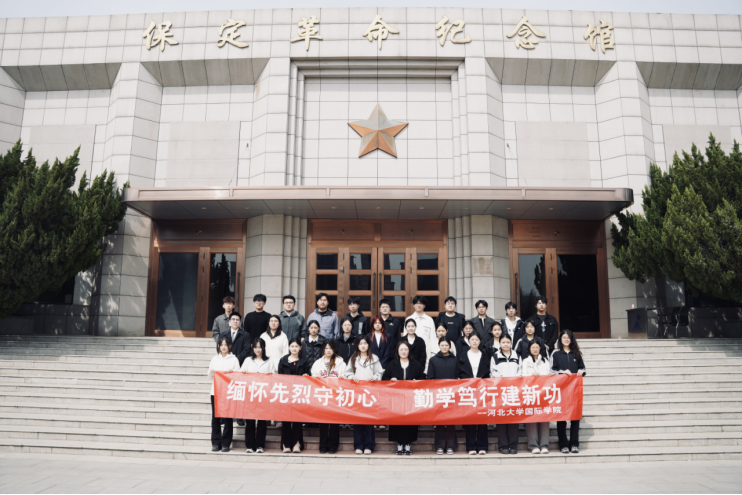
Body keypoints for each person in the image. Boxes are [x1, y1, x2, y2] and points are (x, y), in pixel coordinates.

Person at [382, 341, 426, 456]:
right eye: (401, 349)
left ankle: (408, 443)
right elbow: (384, 378)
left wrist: (417, 381)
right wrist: (391, 380)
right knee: (398, 420)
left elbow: (422, 377)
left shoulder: (415, 364)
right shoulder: (392, 364)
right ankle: (399, 443)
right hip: (397, 399)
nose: (403, 352)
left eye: (406, 349)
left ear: (409, 351)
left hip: (411, 399)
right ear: (397, 351)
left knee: (410, 421)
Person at [344, 336, 384, 455]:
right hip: (357, 393)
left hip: (370, 394)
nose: (363, 345)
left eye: (365, 343)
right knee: (357, 419)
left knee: (369, 420)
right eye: (360, 343)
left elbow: (380, 372)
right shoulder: (353, 358)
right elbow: (347, 373)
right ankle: (358, 445)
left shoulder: (374, 358)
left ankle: (369, 445)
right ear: (357, 345)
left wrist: (374, 377)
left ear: (368, 345)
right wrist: (352, 377)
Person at [551, 330, 586, 454]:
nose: (566, 339)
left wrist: (581, 371)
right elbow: (552, 370)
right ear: (560, 339)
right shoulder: (555, 353)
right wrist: (562, 372)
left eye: (568, 337)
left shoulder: (577, 353)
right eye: (564, 337)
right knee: (561, 418)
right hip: (561, 390)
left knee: (575, 417)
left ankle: (574, 444)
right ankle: (563, 444)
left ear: (571, 339)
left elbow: (583, 368)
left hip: (574, 390)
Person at [457, 331, 490, 455]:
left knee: (482, 418)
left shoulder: (485, 355)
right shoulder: (462, 356)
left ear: (480, 341)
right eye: (472, 339)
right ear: (468, 341)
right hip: (468, 390)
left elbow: (489, 372)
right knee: (470, 418)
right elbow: (458, 373)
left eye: (476, 339)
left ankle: (482, 446)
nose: (474, 342)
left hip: (482, 390)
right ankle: (471, 446)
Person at [240, 339, 276, 454]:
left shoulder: (269, 361)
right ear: (252, 347)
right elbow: (240, 375)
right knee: (250, 421)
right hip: (250, 394)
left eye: (260, 347)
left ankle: (260, 445)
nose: (258, 349)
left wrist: (270, 375)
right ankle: (249, 445)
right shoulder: (247, 360)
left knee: (262, 421)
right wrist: (243, 372)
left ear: (263, 348)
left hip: (263, 394)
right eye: (255, 347)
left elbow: (274, 376)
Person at [311, 341, 346, 454]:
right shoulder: (317, 363)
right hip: (323, 395)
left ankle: (333, 446)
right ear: (323, 349)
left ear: (334, 349)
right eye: (326, 348)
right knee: (323, 422)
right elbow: (313, 376)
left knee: (334, 422)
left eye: (330, 348)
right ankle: (323, 445)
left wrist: (342, 378)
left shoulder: (340, 362)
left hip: (335, 395)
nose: (328, 350)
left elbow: (345, 377)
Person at [278, 338, 311, 453]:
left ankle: (297, 443)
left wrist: (307, 375)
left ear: (300, 348)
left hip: (298, 393)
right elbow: (279, 376)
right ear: (288, 347)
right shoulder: (283, 360)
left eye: (296, 346)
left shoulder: (304, 361)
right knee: (286, 418)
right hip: (286, 392)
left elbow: (308, 374)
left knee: (297, 418)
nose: (294, 348)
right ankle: (286, 444)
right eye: (292, 346)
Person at [208, 336, 240, 452]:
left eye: (226, 345)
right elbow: (210, 375)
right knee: (215, 418)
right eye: (221, 345)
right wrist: (212, 372)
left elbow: (238, 376)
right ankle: (216, 443)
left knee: (227, 417)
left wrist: (232, 373)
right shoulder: (214, 359)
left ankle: (226, 443)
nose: (223, 347)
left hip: (228, 392)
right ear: (218, 346)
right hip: (215, 392)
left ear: (229, 346)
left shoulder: (234, 359)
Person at [490, 334, 521, 455]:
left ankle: (513, 445)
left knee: (513, 417)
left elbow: (520, 372)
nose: (506, 344)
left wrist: (514, 379)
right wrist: (500, 377)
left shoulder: (517, 356)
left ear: (511, 343)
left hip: (514, 391)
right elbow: (492, 372)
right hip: (500, 391)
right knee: (502, 417)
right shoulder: (495, 356)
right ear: (500, 343)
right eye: (503, 342)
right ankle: (503, 446)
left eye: (508, 342)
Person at [427, 336, 458, 455]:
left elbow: (458, 376)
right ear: (438, 346)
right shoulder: (433, 360)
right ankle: (439, 446)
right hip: (438, 395)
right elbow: (430, 378)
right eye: (442, 345)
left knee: (451, 421)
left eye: (446, 345)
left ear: (450, 346)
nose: (444, 347)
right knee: (439, 422)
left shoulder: (455, 359)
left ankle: (451, 445)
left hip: (452, 394)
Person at [522, 340, 551, 455]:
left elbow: (549, 374)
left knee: (544, 419)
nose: (535, 349)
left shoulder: (545, 361)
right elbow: (522, 376)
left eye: (537, 347)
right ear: (529, 349)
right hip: (530, 393)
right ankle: (533, 445)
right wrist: (531, 375)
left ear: (540, 349)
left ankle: (544, 445)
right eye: (533, 347)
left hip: (543, 393)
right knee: (531, 419)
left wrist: (550, 375)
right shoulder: (525, 361)